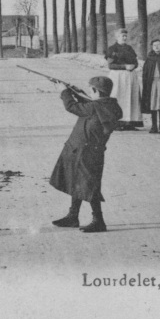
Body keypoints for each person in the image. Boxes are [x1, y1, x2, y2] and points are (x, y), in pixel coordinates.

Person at [49, 76, 123, 233]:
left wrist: (64, 92)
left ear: (96, 91)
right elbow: (88, 104)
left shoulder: (95, 107)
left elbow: (72, 107)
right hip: (90, 151)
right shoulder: (107, 105)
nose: (90, 92)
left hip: (84, 152)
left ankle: (99, 221)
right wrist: (75, 92)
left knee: (90, 186)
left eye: (91, 90)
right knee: (79, 181)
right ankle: (73, 216)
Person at [104, 28, 143, 129]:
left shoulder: (130, 48)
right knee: (118, 97)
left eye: (126, 36)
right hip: (118, 77)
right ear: (117, 37)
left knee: (131, 98)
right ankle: (117, 123)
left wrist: (133, 66)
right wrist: (124, 67)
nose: (125, 38)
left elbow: (136, 62)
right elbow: (110, 65)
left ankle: (130, 122)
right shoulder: (112, 49)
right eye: (122, 36)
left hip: (130, 77)